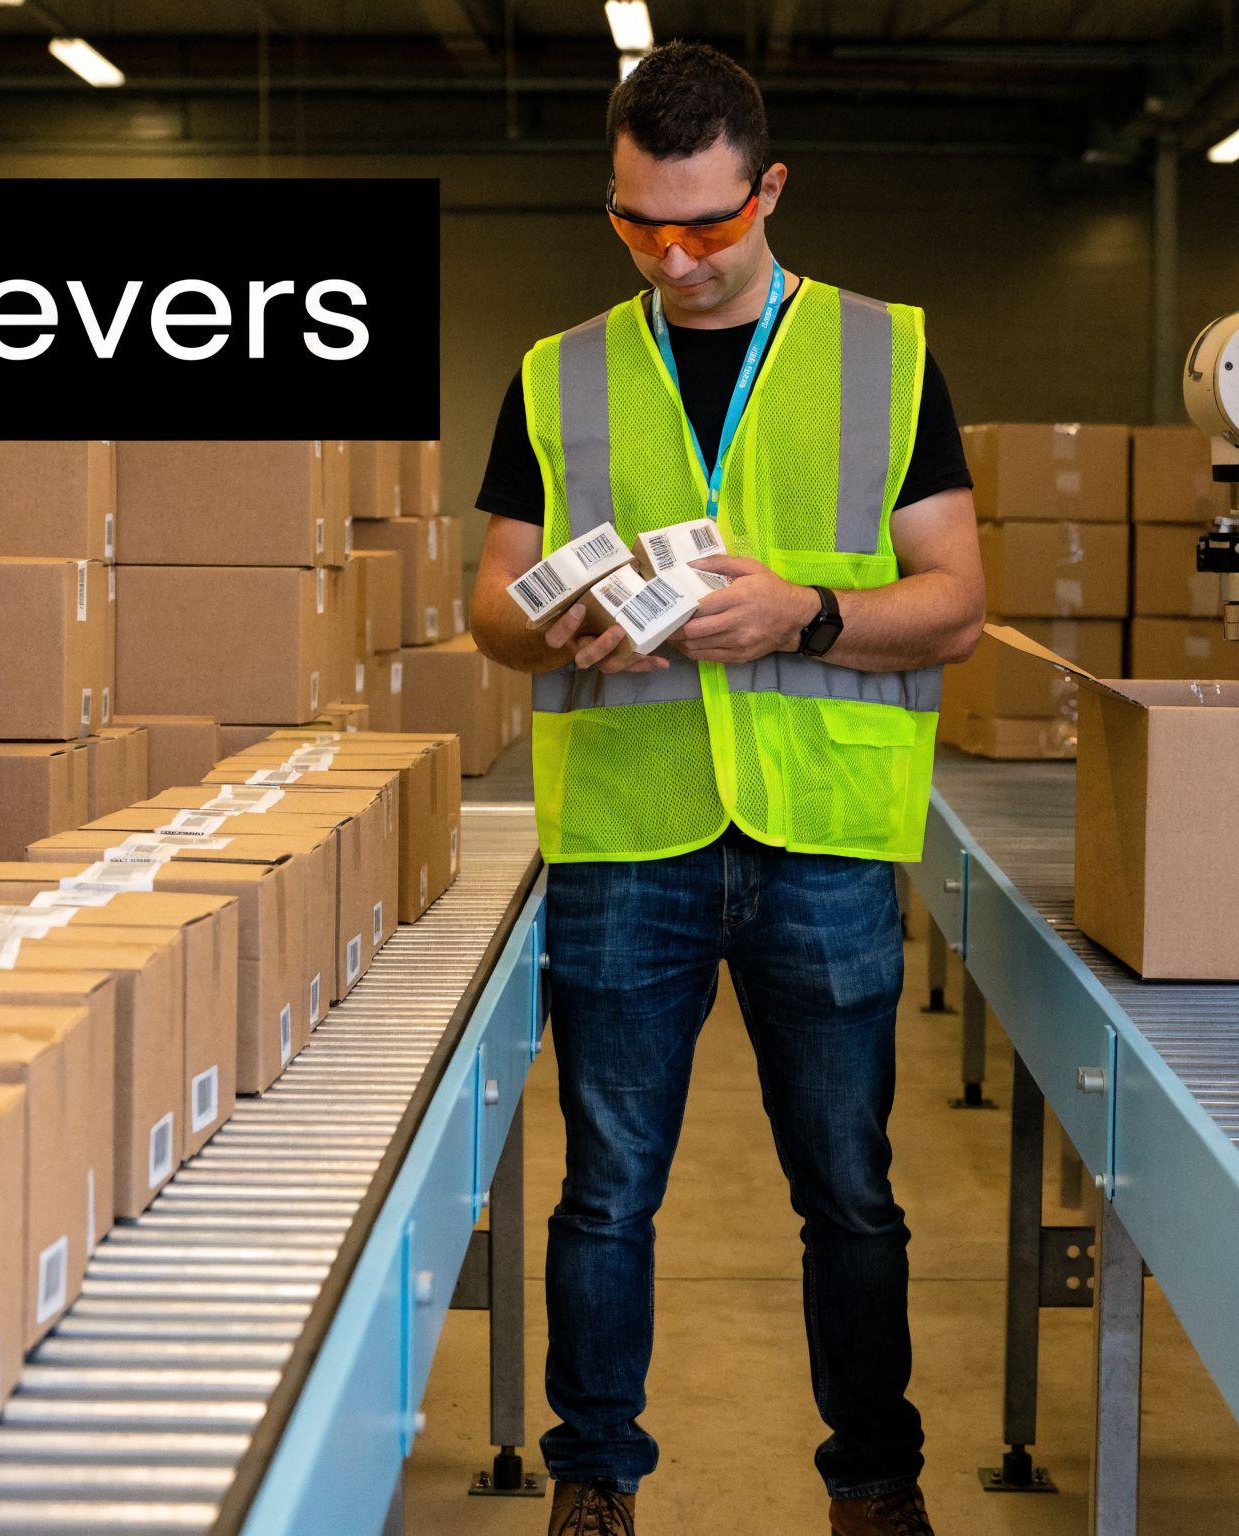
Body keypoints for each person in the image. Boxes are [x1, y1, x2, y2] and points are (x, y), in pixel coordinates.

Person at [468, 38, 984, 1536]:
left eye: (708, 222)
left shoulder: (883, 352)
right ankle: (593, 1482)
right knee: (608, 1190)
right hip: (630, 833)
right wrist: (549, 629)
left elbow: (954, 599)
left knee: (852, 1193)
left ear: (771, 188)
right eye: (640, 222)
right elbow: (491, 604)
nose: (677, 256)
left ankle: (876, 1483)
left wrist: (805, 614)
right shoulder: (558, 372)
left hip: (821, 831)